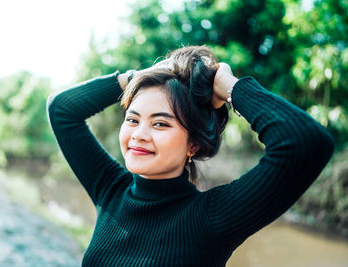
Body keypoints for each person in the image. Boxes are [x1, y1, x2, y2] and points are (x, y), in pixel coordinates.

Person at [47, 46, 334, 266]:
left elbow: (305, 142)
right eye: (133, 120)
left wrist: (230, 86)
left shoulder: (211, 219)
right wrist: (137, 77)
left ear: (193, 145)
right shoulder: (111, 189)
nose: (139, 134)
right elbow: (62, 110)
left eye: (160, 123)